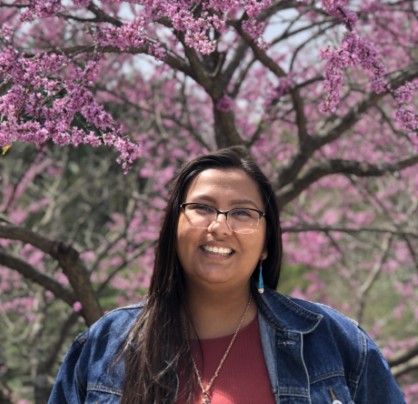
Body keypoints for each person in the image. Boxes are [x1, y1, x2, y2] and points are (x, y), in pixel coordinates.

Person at [48, 149, 406, 404]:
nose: (219, 226)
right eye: (202, 208)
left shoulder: (333, 342)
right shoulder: (104, 347)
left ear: (267, 244)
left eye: (243, 213)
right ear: (174, 226)